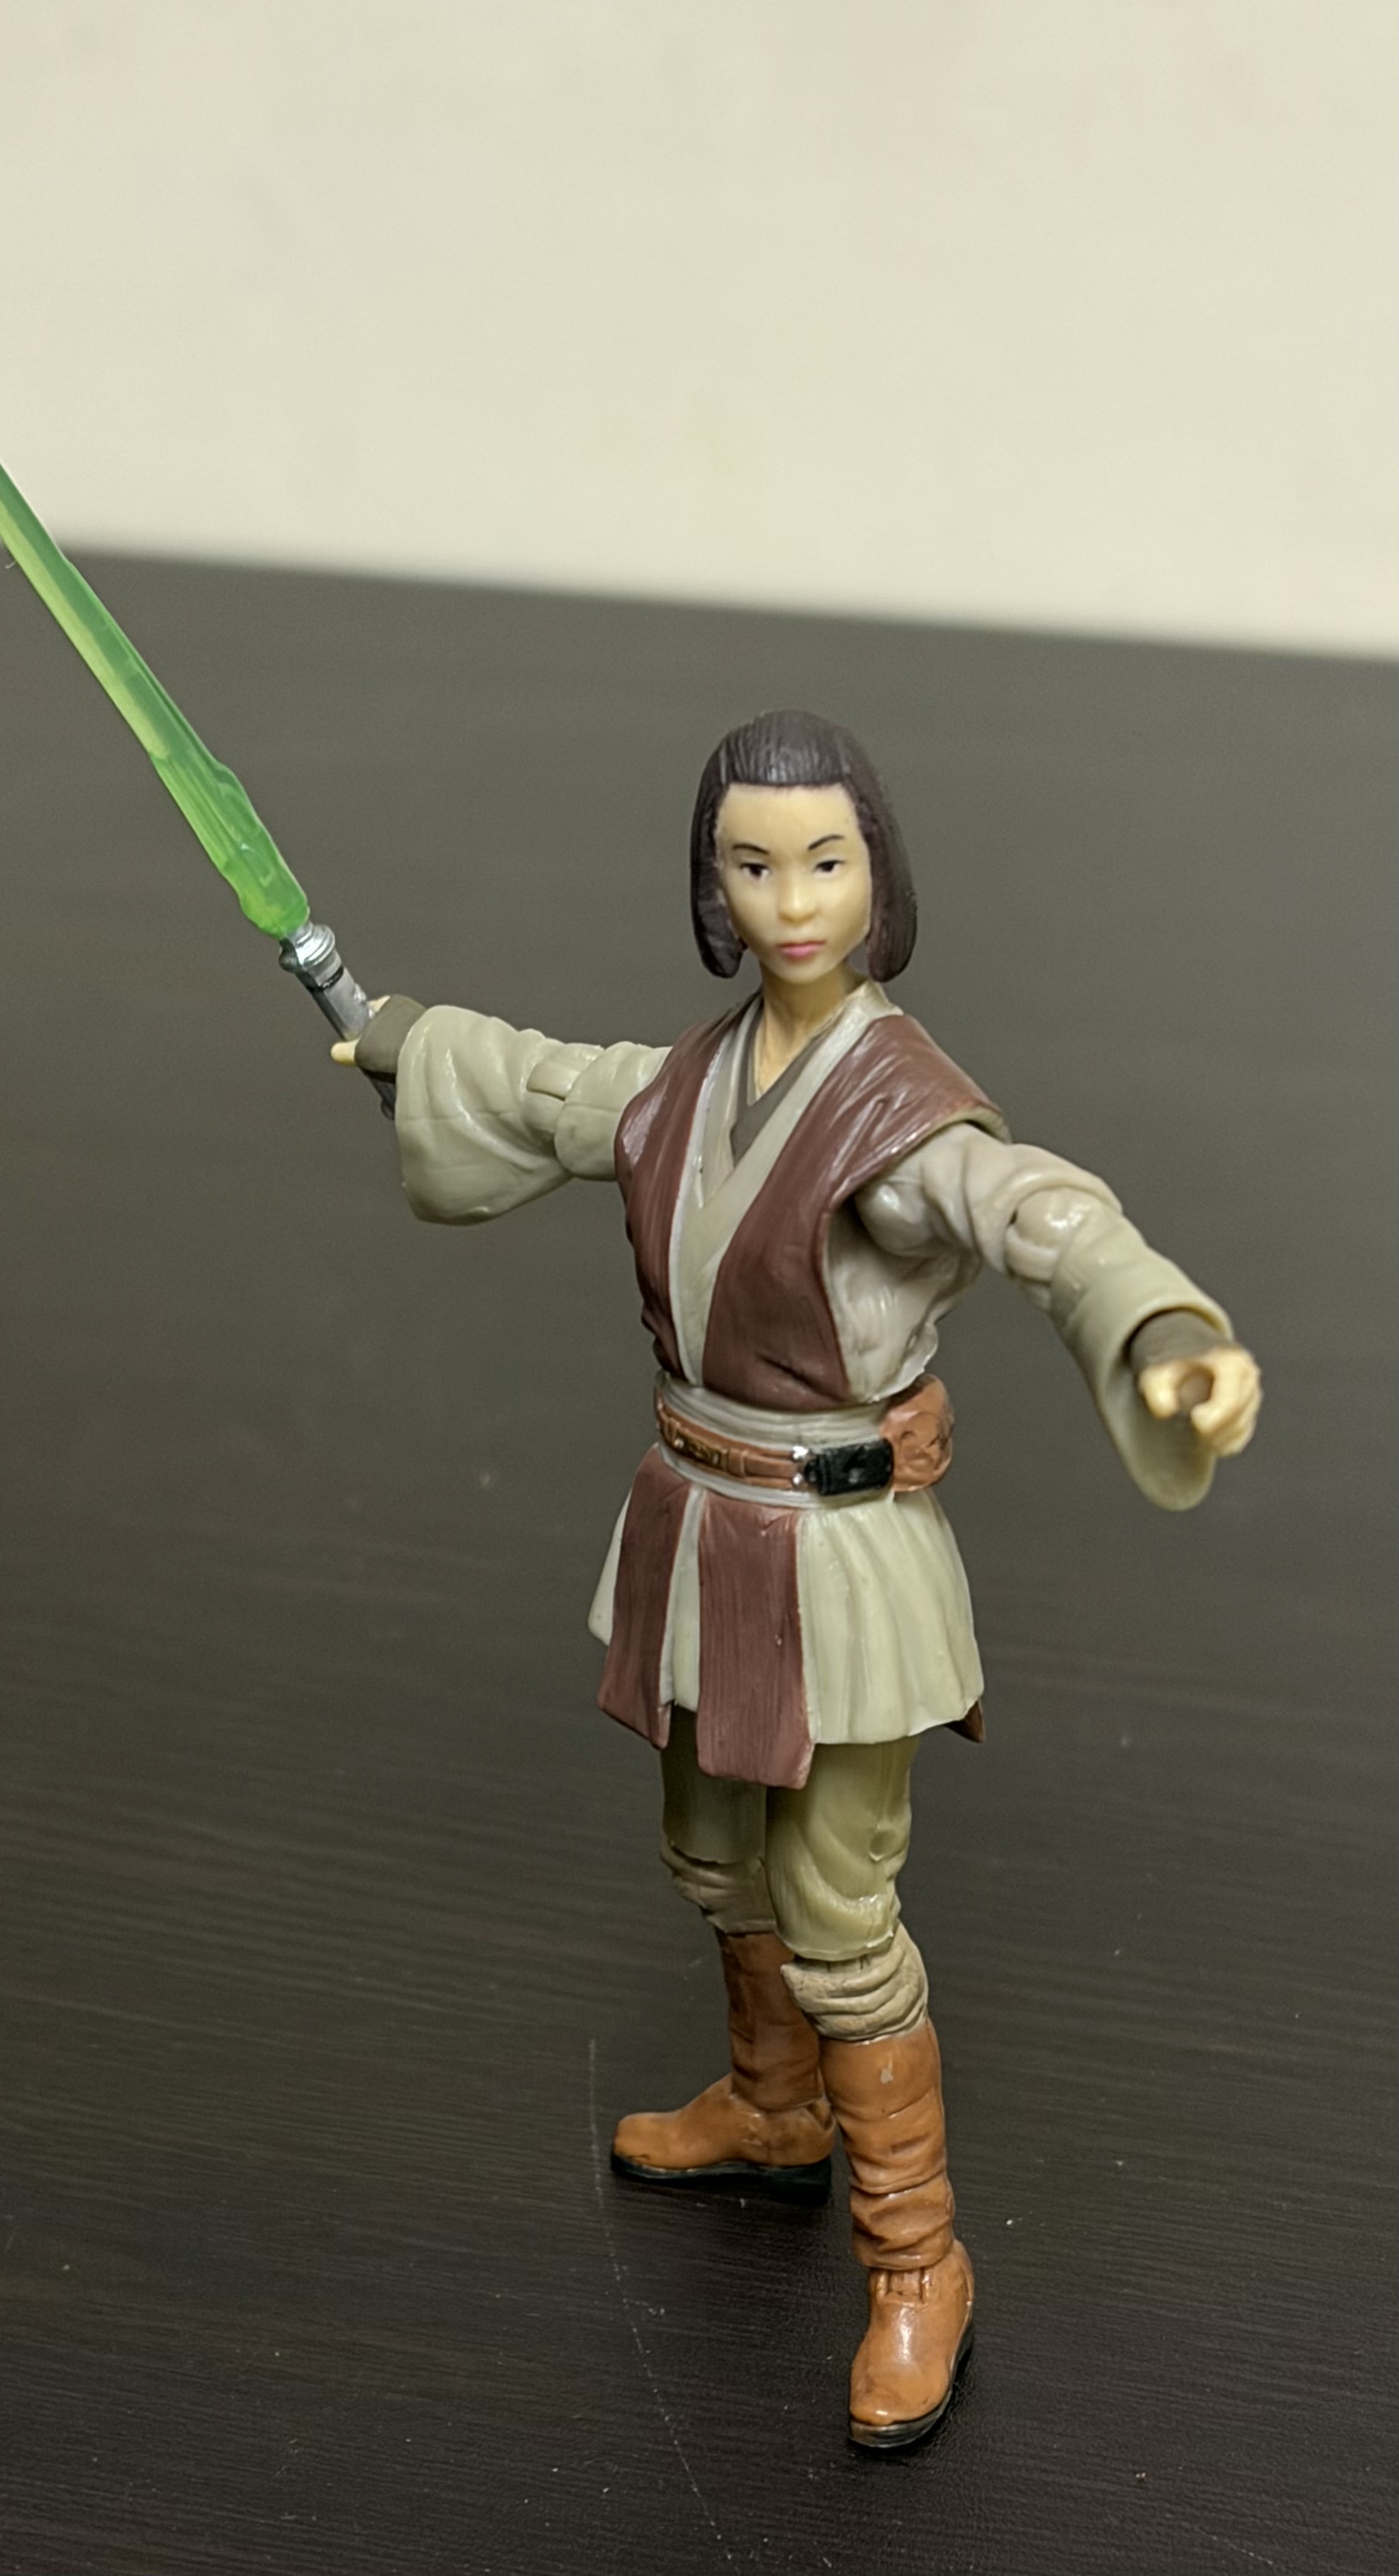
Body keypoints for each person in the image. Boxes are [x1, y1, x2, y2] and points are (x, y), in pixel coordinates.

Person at [333, 708, 1261, 2451]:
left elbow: (1031, 1208)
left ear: (876, 870)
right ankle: (771, 2106)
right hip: (699, 1524)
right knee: (709, 1853)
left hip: (835, 1568)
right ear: (714, 885)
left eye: (824, 859)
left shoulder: (898, 1115)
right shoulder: (692, 1081)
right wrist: (386, 1033)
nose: (792, 897)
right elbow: (545, 1086)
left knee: (840, 1912)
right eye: (753, 864)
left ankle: (918, 2261)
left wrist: (1158, 1331)